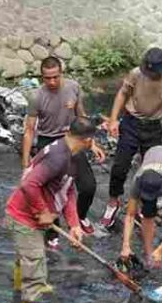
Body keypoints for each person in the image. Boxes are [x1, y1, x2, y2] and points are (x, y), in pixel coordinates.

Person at [5, 117, 97, 303]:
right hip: (24, 218)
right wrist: (43, 211)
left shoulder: (72, 153)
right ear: (88, 140)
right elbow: (28, 183)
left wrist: (74, 224)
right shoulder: (58, 157)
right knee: (35, 274)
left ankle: (17, 299)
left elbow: (68, 189)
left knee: (27, 261)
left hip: (30, 216)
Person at [100, 48, 162, 230]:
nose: (151, 75)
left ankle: (139, 206)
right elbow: (122, 94)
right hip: (130, 124)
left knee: (150, 172)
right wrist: (114, 120)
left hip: (154, 128)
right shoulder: (136, 74)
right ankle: (113, 202)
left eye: (154, 72)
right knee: (120, 166)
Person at [21, 56, 106, 238]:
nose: (52, 81)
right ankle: (52, 234)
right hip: (48, 141)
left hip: (72, 140)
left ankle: (79, 218)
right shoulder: (36, 97)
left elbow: (81, 116)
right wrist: (26, 159)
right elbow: (29, 130)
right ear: (42, 77)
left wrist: (92, 143)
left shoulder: (73, 87)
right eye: (47, 78)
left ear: (62, 74)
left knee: (88, 186)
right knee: (51, 191)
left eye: (55, 77)